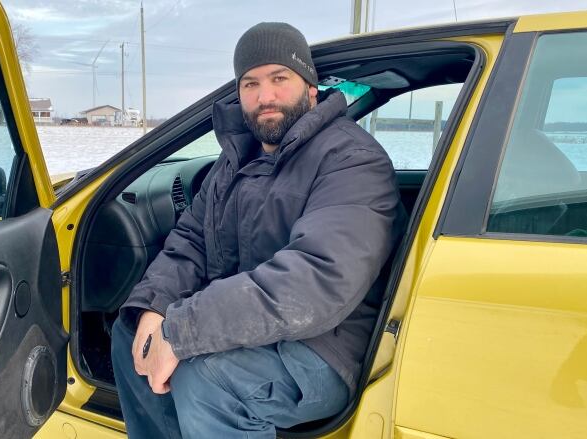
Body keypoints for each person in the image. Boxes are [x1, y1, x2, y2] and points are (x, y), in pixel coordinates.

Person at [111, 22, 405, 438]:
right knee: (132, 337)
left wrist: (181, 331)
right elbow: (190, 243)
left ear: (311, 88)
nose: (265, 96)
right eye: (251, 83)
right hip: (252, 327)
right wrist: (154, 308)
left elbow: (315, 281)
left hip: (325, 345)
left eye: (279, 79)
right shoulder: (232, 165)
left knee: (208, 379)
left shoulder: (351, 159)